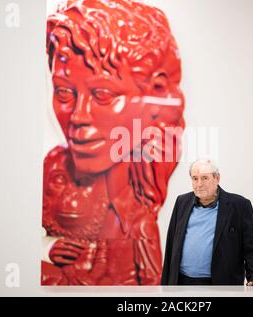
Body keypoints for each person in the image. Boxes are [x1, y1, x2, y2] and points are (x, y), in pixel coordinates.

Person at [41, 0, 185, 285]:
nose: (78, 117)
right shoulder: (56, 172)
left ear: (153, 95)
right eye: (64, 92)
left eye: (103, 95)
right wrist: (46, 250)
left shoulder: (147, 182)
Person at [161, 159, 253, 286]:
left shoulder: (239, 205)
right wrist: (166, 284)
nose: (199, 184)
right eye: (195, 179)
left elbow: (252, 246)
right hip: (181, 282)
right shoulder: (182, 202)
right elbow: (171, 245)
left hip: (221, 283)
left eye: (205, 178)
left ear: (217, 178)